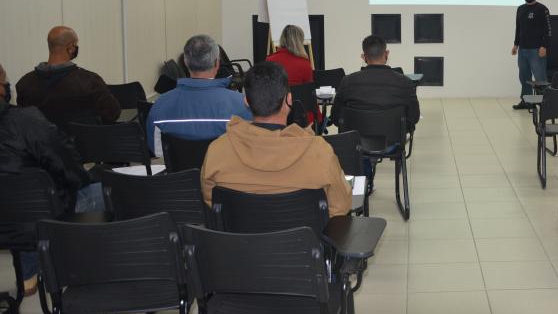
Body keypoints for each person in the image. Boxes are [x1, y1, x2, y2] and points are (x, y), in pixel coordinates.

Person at [0, 62, 104, 296]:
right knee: (92, 185)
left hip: (10, 220)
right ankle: (91, 271)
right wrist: (81, 179)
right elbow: (67, 164)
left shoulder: (26, 91)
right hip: (30, 220)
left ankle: (27, 275)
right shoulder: (25, 121)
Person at [201, 62, 351, 217]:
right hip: (304, 240)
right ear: (289, 100)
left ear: (246, 101)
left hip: (240, 241)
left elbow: (210, 203)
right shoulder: (320, 151)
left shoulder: (217, 150)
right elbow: (341, 206)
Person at [146, 35, 251, 156]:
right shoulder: (242, 105)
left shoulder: (160, 105)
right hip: (224, 173)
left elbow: (157, 152)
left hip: (178, 174)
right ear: (217, 63)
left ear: (185, 62)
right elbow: (248, 148)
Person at [16, 26, 121, 128]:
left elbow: (24, 121)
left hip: (41, 144)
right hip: (82, 144)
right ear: (70, 48)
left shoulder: (25, 83)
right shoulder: (90, 81)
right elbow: (112, 114)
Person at [330, 35, 420, 130]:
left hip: (356, 141)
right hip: (392, 141)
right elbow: (414, 118)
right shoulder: (405, 82)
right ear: (387, 54)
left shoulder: (347, 81)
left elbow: (336, 118)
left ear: (364, 57)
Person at [511, 0, 551, 110]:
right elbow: (519, 29)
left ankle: (545, 104)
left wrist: (544, 46)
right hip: (522, 50)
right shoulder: (520, 9)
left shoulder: (542, 9)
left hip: (537, 50)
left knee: (540, 78)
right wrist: (515, 45)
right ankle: (526, 101)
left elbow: (548, 29)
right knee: (524, 77)